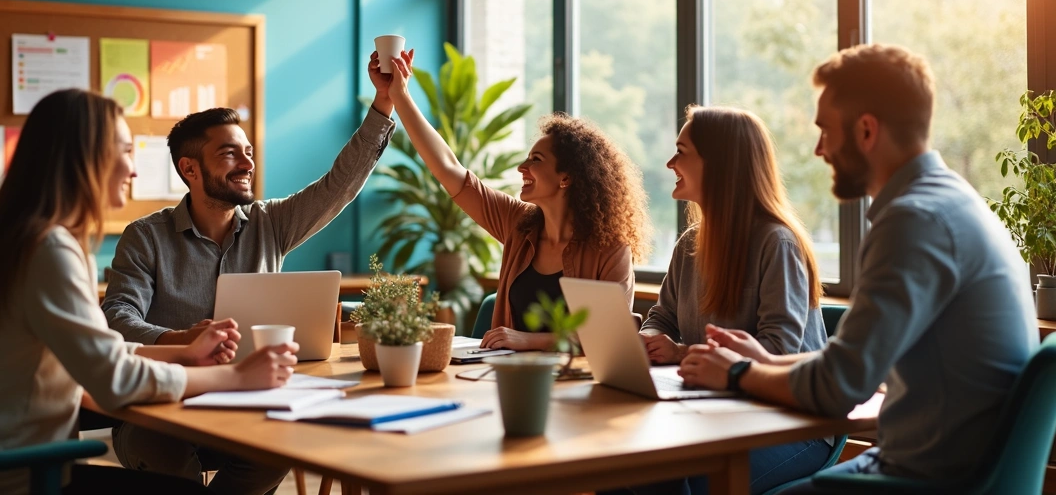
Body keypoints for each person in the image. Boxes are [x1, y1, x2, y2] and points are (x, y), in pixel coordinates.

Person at [675, 44, 1037, 492]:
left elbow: (839, 387)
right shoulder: (953, 202)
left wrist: (735, 372)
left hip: (926, 481)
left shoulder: (913, 220)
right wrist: (766, 361)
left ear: (866, 131)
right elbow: (849, 367)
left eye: (826, 130)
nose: (818, 149)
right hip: (947, 469)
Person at [0, 90, 299, 495]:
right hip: (16, 477)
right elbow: (114, 380)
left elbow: (102, 354)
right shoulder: (49, 252)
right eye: (126, 150)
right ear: (85, 158)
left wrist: (182, 351)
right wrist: (234, 376)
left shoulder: (18, 240)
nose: (133, 170)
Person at [100, 63, 396, 492]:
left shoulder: (270, 223)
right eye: (229, 154)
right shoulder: (146, 237)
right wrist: (181, 338)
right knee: (163, 457)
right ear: (190, 169)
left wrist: (383, 104)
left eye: (248, 152)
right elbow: (117, 317)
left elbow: (340, 186)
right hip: (164, 405)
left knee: (280, 449)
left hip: (248, 402)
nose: (246, 163)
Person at [610, 105, 829, 495]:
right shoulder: (690, 244)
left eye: (682, 152)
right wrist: (650, 340)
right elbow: (663, 316)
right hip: (721, 410)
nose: (670, 162)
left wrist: (681, 353)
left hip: (795, 422)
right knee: (623, 470)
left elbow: (776, 351)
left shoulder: (776, 243)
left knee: (675, 480)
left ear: (720, 164)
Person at [381, 49, 647, 351]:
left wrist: (528, 341)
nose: (522, 167)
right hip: (508, 375)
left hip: (575, 385)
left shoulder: (610, 248)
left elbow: (609, 335)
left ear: (566, 177)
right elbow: (448, 169)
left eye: (536, 159)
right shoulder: (519, 224)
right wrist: (399, 95)